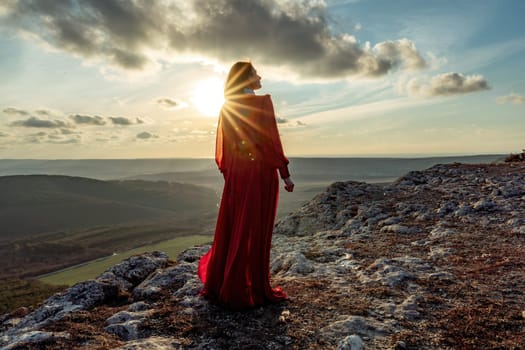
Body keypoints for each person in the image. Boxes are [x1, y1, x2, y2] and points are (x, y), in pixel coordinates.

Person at [198, 61, 295, 310]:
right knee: (254, 228)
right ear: (246, 78)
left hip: (237, 175)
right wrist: (284, 173)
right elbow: (270, 141)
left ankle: (225, 284)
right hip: (260, 173)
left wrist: (233, 175)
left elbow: (225, 151)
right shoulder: (261, 103)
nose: (260, 76)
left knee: (236, 226)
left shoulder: (228, 106)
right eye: (255, 73)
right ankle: (248, 287)